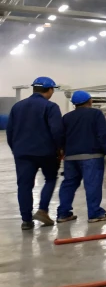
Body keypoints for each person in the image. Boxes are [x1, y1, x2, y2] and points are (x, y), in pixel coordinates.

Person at [6, 77, 64, 230]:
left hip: (22, 153)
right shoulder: (51, 107)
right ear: (50, 90)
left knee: (24, 186)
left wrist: (16, 149)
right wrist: (60, 148)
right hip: (46, 152)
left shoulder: (17, 107)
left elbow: (10, 131)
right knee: (51, 178)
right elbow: (57, 130)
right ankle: (43, 210)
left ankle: (26, 221)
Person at [56, 90, 106, 224]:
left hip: (70, 157)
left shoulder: (66, 117)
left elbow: (60, 136)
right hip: (91, 156)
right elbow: (103, 136)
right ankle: (95, 213)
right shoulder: (96, 114)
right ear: (90, 101)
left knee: (68, 184)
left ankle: (63, 214)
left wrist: (62, 151)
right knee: (92, 185)